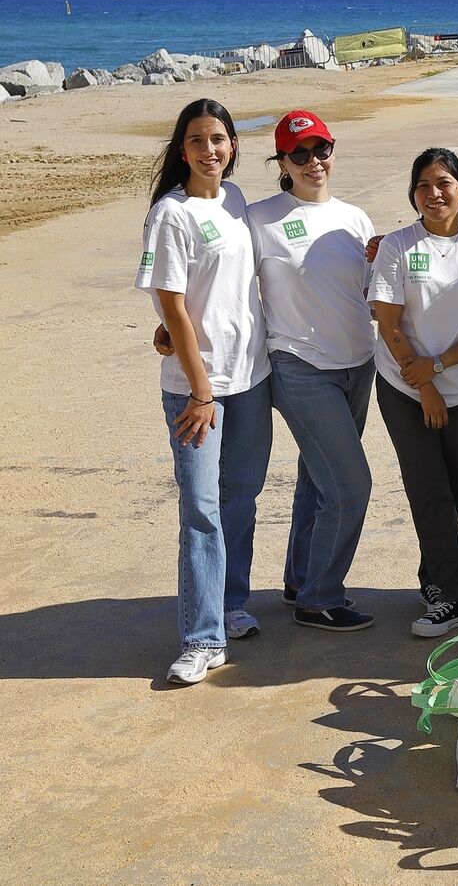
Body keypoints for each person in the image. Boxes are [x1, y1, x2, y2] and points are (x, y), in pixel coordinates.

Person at [137, 99, 272, 684]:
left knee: (240, 499)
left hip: (252, 380)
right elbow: (172, 308)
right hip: (199, 392)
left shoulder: (237, 202)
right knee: (202, 509)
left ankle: (230, 603)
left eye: (219, 138)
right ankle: (200, 636)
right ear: (181, 148)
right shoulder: (171, 214)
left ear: (234, 145)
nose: (209, 149)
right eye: (197, 140)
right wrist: (199, 391)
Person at [369, 148, 458, 637]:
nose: (435, 193)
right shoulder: (397, 247)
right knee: (427, 489)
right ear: (413, 194)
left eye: (444, 183)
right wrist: (424, 382)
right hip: (403, 387)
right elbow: (387, 319)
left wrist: (441, 367)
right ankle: (454, 597)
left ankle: (432, 577)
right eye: (424, 185)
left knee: (452, 492)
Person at [247, 112, 378, 631]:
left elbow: (367, 293)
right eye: (298, 154)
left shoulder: (355, 217)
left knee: (317, 477)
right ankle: (320, 597)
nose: (312, 162)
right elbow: (217, 279)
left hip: (357, 365)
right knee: (350, 486)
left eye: (320, 149)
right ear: (281, 162)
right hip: (299, 367)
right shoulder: (259, 218)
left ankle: (300, 577)